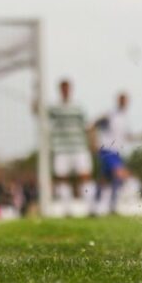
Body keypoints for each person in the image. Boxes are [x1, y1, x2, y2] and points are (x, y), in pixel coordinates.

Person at [47, 79, 93, 215]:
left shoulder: (78, 107)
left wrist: (92, 143)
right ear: (60, 90)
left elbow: (86, 126)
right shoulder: (54, 108)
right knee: (62, 178)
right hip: (61, 149)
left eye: (67, 88)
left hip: (79, 147)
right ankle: (67, 210)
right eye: (63, 88)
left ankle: (90, 208)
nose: (65, 91)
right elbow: (41, 115)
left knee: (85, 176)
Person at [92, 91, 137, 215]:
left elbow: (127, 136)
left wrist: (141, 137)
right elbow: (93, 124)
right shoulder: (110, 114)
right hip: (107, 150)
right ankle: (112, 205)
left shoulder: (125, 118)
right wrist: (93, 141)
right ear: (118, 100)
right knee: (120, 174)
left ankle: (96, 206)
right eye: (121, 99)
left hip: (117, 151)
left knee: (105, 179)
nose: (123, 102)